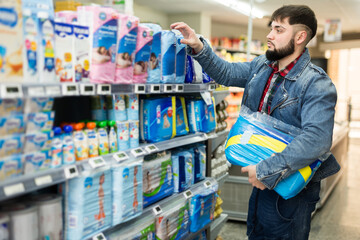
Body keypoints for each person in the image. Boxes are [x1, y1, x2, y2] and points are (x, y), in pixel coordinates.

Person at [171, 5, 340, 240]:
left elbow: (317, 140)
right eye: (271, 28)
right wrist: (199, 47)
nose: (270, 35)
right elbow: (228, 73)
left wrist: (265, 170)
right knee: (256, 233)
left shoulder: (317, 84)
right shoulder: (263, 66)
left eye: (279, 30)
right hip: (262, 179)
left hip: (290, 187)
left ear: (300, 37)